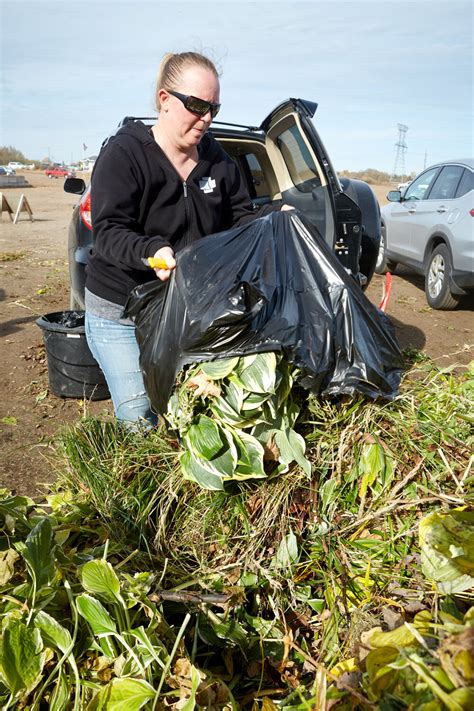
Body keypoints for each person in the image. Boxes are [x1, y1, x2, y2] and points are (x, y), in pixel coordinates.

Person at [85, 51, 292, 426]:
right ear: (165, 99)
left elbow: (240, 219)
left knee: (187, 412)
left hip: (188, 309)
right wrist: (152, 250)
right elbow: (109, 232)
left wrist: (275, 218)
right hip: (120, 312)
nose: (207, 117)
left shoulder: (218, 161)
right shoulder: (125, 154)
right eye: (196, 105)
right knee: (140, 416)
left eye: (214, 107)